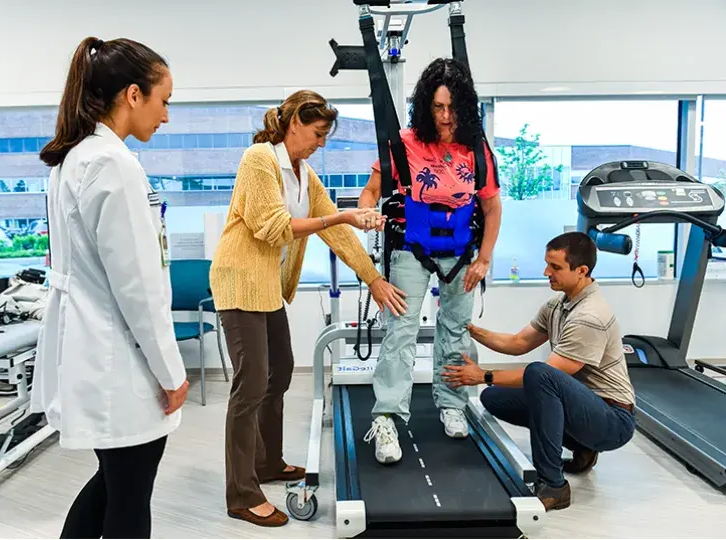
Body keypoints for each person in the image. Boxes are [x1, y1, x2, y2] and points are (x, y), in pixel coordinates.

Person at [209, 90, 408, 527]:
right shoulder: (259, 159)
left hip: (267, 288)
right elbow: (274, 228)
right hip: (239, 281)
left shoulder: (303, 174)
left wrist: (373, 279)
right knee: (252, 382)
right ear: (295, 122)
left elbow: (336, 232)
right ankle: (241, 493)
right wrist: (341, 218)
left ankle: (267, 462)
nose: (321, 142)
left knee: (279, 371)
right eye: (318, 133)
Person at [30, 36, 189, 539]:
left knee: (115, 483)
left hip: (97, 351)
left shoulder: (76, 157)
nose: (165, 117)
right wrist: (171, 372)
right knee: (128, 495)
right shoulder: (113, 165)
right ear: (133, 95)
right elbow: (137, 288)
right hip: (118, 360)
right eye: (164, 101)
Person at [358, 58, 502, 463]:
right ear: (426, 106)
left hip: (461, 253)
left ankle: (452, 404)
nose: (444, 117)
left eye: (452, 108)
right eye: (437, 108)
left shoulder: (477, 149)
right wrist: (368, 213)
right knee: (400, 332)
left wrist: (485, 259)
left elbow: (492, 209)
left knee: (455, 330)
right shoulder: (403, 143)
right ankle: (386, 416)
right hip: (411, 249)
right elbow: (370, 192)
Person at [441, 232, 636, 511]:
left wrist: (482, 375)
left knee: (539, 376)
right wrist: (472, 330)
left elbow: (549, 374)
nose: (546, 272)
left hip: (612, 421)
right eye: (547, 264)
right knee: (494, 397)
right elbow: (519, 342)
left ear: (581, 271)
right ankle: (583, 448)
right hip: (584, 407)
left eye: (555, 267)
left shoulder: (590, 316)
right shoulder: (558, 304)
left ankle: (554, 486)